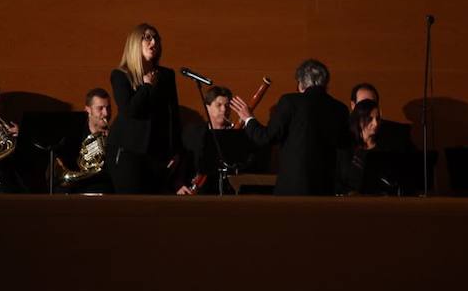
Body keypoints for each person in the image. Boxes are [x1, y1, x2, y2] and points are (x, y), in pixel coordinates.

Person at [231, 59, 349, 195]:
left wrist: (248, 118)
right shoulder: (340, 108)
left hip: (294, 188)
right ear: (325, 83)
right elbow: (344, 147)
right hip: (325, 189)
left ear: (301, 83)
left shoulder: (290, 102)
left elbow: (266, 138)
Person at [108, 23, 182, 194]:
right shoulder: (121, 75)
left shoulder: (166, 75)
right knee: (131, 208)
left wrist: (176, 151)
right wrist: (146, 86)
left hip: (158, 154)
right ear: (135, 43)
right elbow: (129, 111)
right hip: (128, 153)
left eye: (156, 38)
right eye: (148, 37)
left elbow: (173, 115)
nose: (154, 42)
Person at [178, 86, 257, 195]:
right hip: (198, 194)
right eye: (219, 105)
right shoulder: (193, 133)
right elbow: (181, 163)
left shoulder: (239, 135)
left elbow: (247, 166)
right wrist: (179, 185)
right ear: (207, 107)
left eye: (227, 105)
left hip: (229, 193)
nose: (224, 110)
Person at [55, 88, 113, 194]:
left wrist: (111, 144)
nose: (106, 113)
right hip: (78, 188)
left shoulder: (115, 135)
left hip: (105, 189)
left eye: (108, 108)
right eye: (100, 108)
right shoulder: (74, 135)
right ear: (88, 110)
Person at [349, 82, 416, 154]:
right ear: (353, 105)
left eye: (373, 103)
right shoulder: (343, 135)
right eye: (364, 105)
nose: (370, 108)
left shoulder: (396, 134)